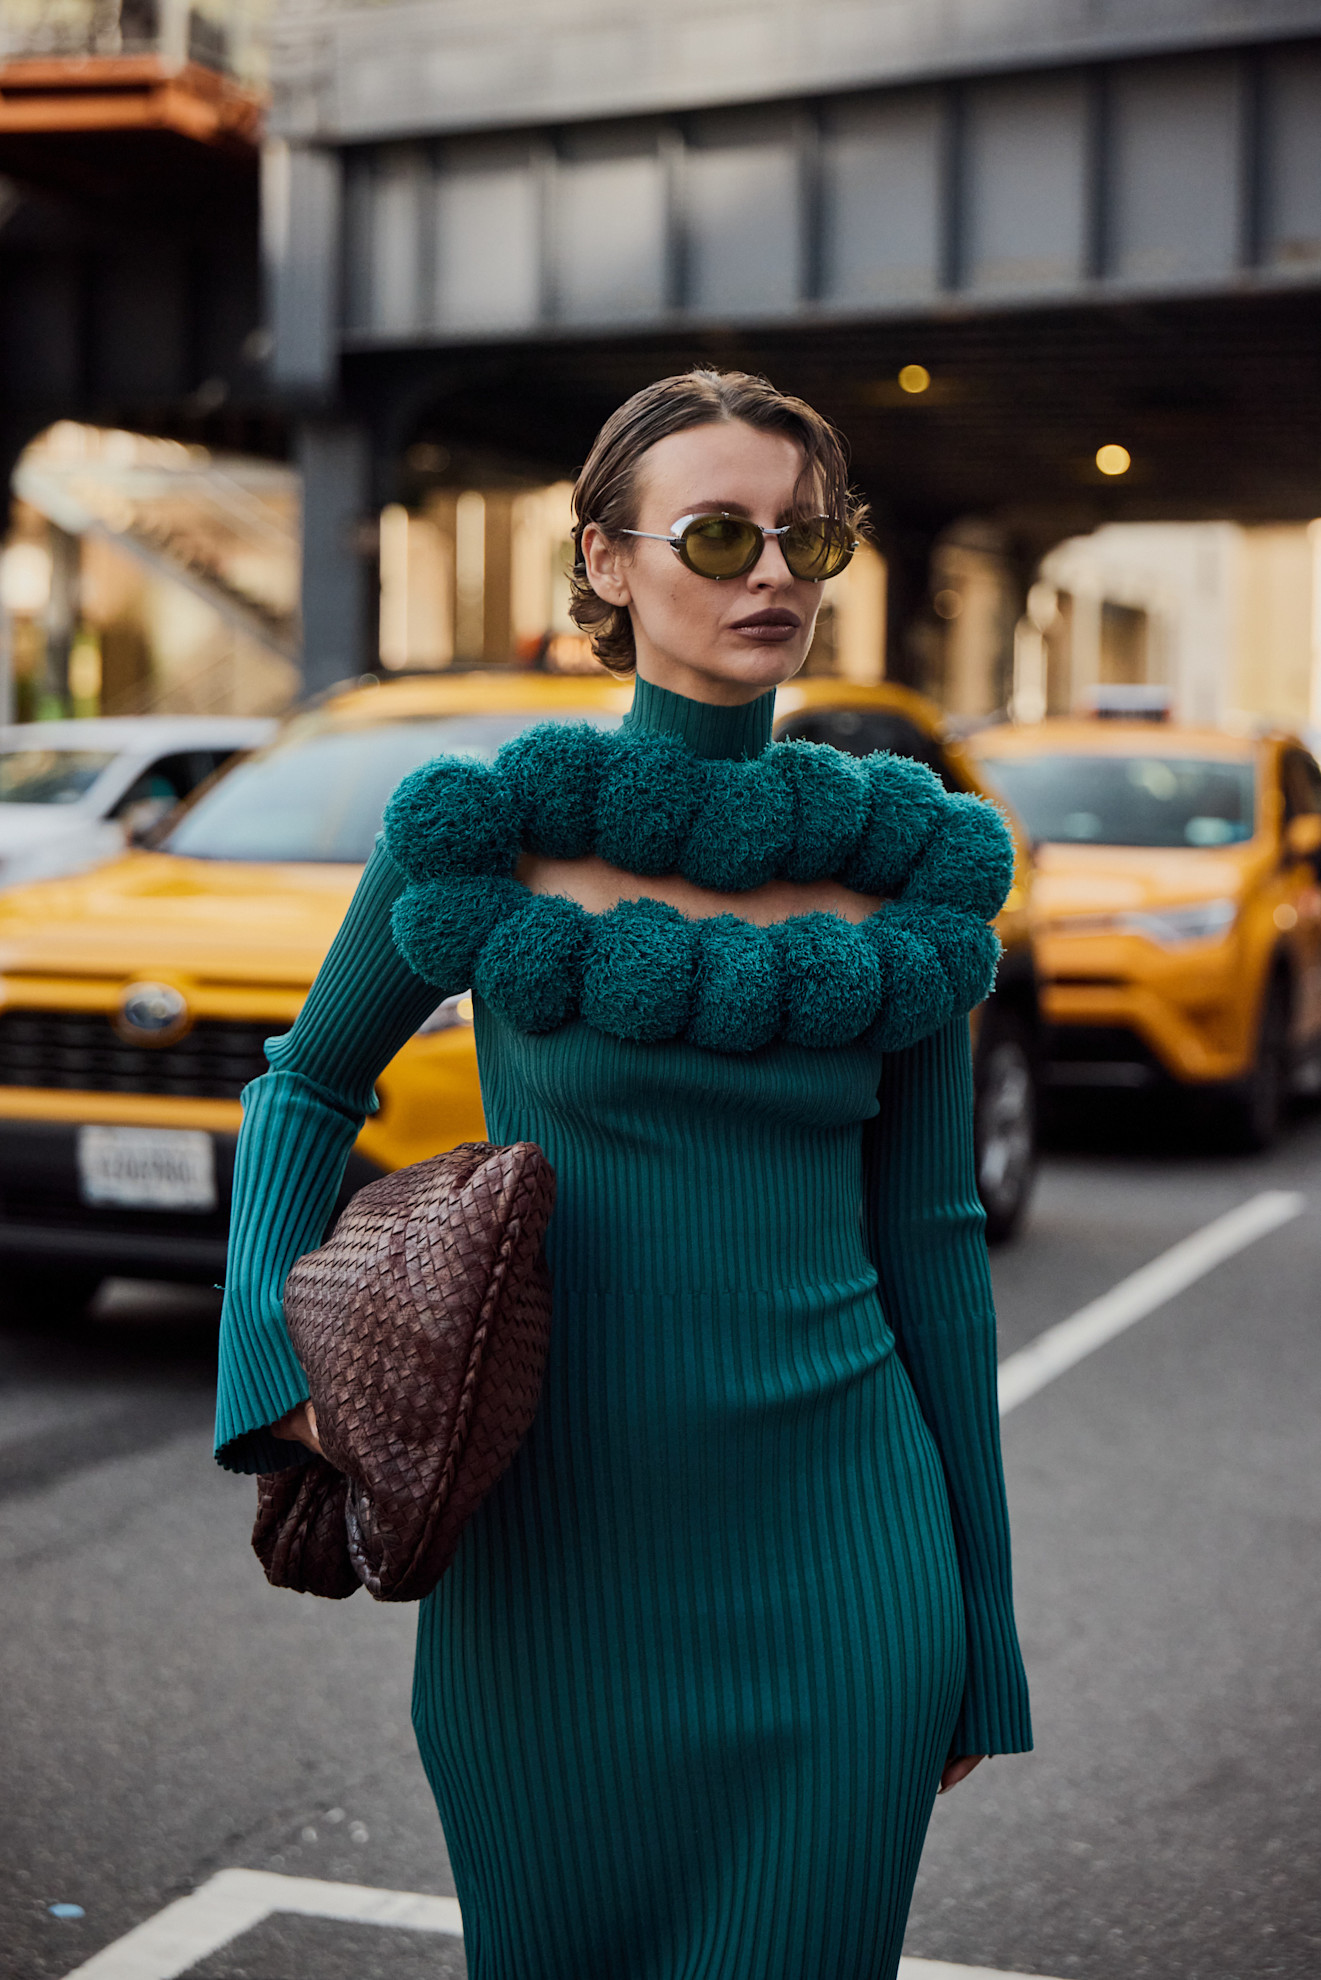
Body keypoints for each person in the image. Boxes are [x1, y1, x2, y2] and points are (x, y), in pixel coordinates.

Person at [215, 367, 1032, 1980]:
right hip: (547, 1558)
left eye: (811, 538)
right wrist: (271, 1371)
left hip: (844, 1566)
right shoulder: (485, 831)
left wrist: (980, 1639)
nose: (776, 577)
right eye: (721, 534)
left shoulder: (908, 863)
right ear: (604, 562)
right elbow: (306, 1084)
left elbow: (935, 1248)